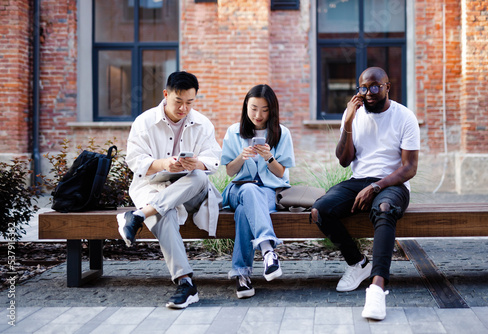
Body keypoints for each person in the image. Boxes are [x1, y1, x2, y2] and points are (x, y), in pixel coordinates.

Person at [311, 67, 420, 320]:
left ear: (387, 87)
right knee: (319, 210)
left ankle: (377, 288)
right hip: (359, 180)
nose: (369, 93)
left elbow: (409, 168)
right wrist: (348, 122)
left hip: (393, 184)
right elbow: (344, 161)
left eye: (374, 87)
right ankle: (358, 264)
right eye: (363, 88)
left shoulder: (404, 116)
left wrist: (377, 187)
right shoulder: (354, 115)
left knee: (383, 210)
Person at [117, 71, 222, 309]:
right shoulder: (144, 122)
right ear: (166, 94)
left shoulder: (203, 123)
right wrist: (164, 164)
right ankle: (185, 283)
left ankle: (139, 215)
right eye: (179, 101)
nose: (184, 108)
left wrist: (197, 162)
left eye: (190, 102)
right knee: (165, 212)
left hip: (190, 189)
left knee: (199, 177)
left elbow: (214, 159)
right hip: (152, 185)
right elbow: (135, 161)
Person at [221, 84, 295, 299]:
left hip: (267, 194)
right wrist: (241, 157)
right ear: (246, 107)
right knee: (248, 189)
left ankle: (242, 276)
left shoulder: (282, 133)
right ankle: (268, 250)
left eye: (264, 109)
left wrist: (268, 157)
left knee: (245, 212)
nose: (258, 115)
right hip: (237, 190)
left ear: (272, 110)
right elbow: (229, 171)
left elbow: (281, 174)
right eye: (253, 108)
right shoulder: (234, 131)